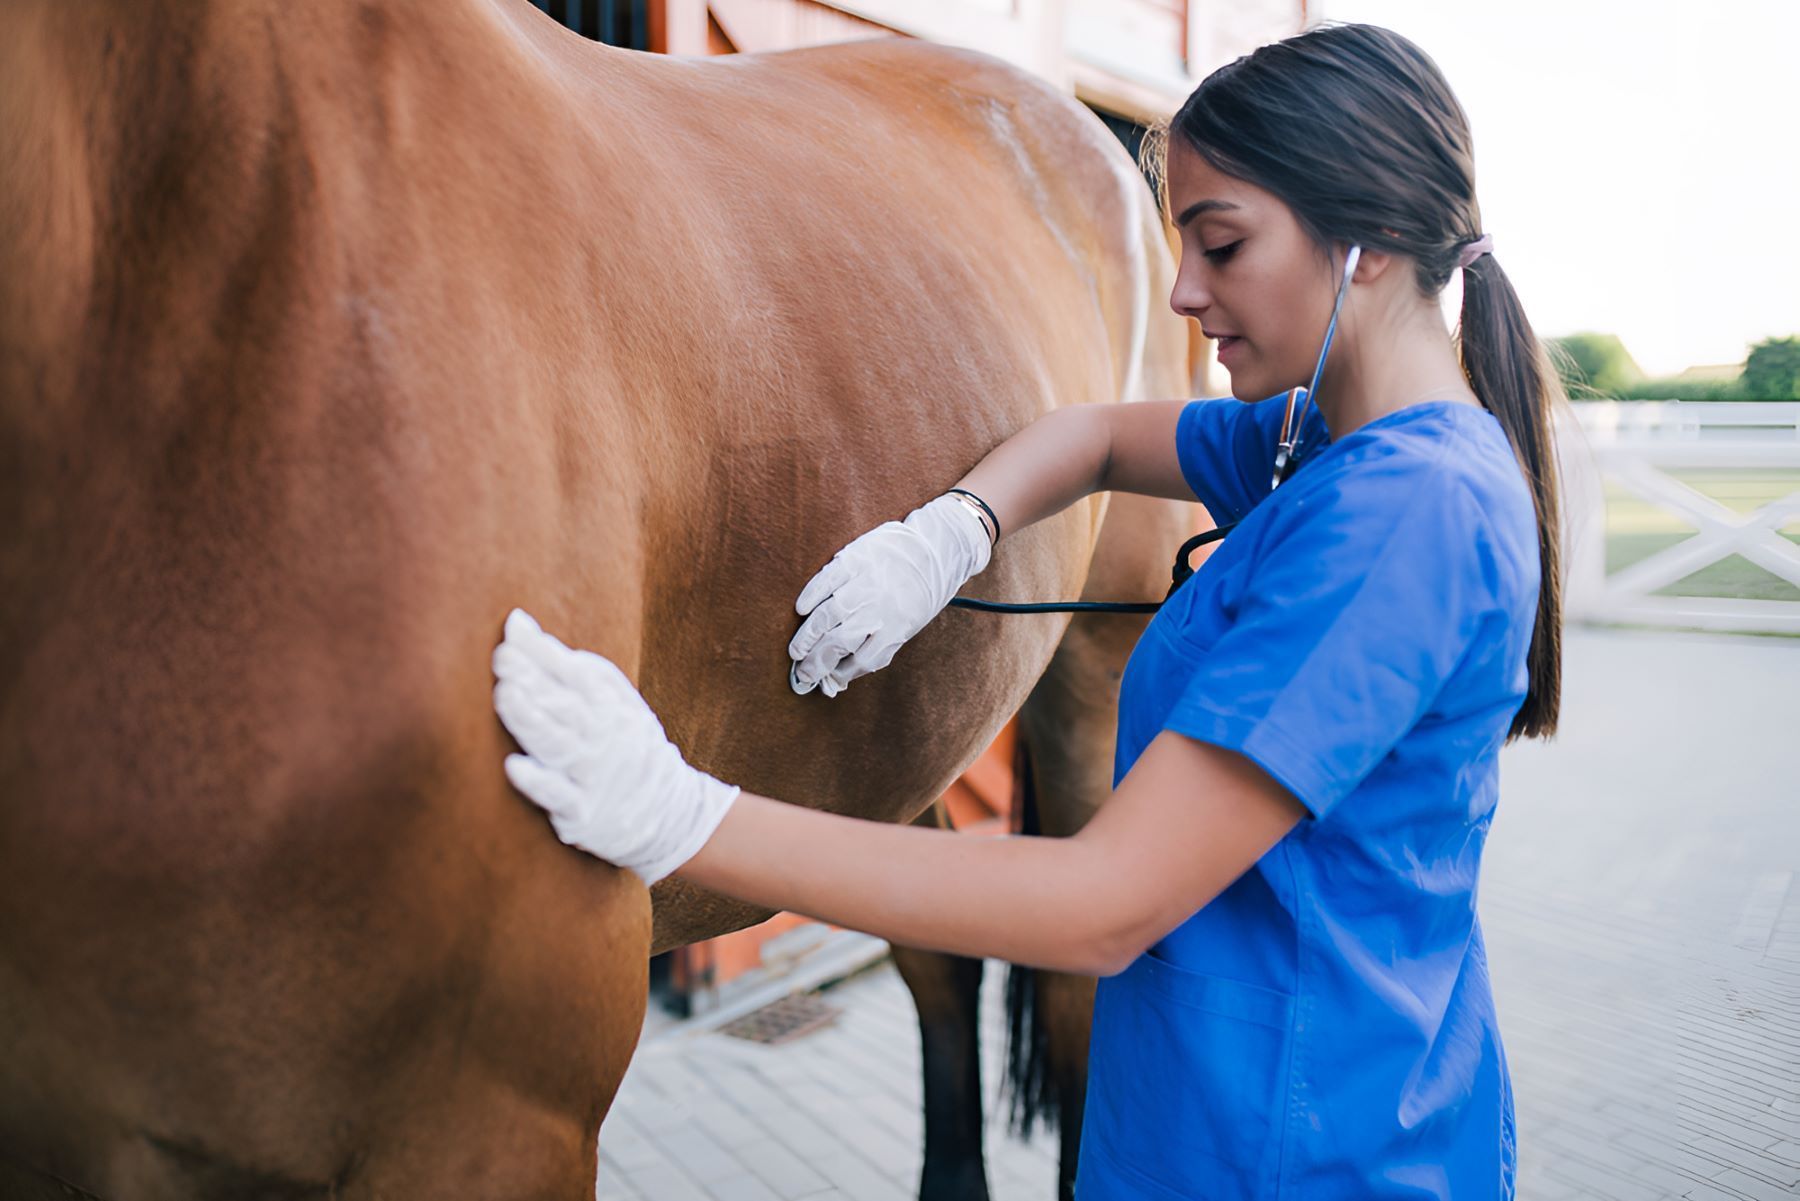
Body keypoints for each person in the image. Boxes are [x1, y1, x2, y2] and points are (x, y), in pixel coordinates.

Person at [489, 22, 1563, 1200]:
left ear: (1363, 240)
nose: (1184, 293)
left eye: (1221, 243)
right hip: (1218, 1111)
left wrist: (681, 815)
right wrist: (951, 532)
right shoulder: (1322, 440)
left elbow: (1099, 904)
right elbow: (1098, 434)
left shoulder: (1406, 514)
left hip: (1300, 1150)